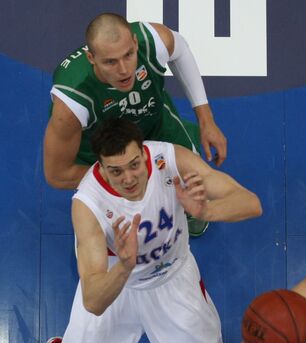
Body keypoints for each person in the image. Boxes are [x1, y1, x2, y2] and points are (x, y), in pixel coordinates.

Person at [40, 118, 261, 343]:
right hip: (117, 288)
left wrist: (206, 211)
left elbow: (250, 202)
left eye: (134, 165)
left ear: (143, 152)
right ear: (101, 168)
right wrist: (125, 266)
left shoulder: (171, 160)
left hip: (172, 277)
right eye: (116, 171)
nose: (128, 178)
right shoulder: (87, 203)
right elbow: (93, 300)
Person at [43, 12, 227, 237]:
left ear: (134, 43)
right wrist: (123, 175)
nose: (124, 70)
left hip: (153, 125)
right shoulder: (71, 105)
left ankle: (187, 215)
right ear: (91, 58)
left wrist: (206, 120)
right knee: (133, 220)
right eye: (110, 62)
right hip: (106, 155)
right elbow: (57, 174)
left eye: (128, 55)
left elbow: (181, 50)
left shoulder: (152, 41)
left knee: (192, 182)